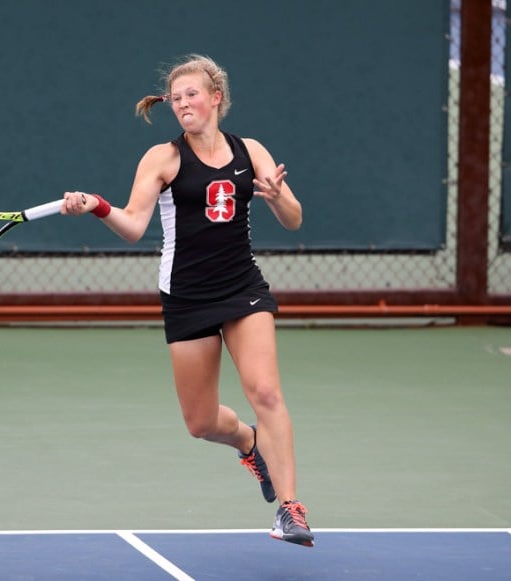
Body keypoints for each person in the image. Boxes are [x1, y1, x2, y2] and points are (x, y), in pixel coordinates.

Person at [61, 54, 313, 547]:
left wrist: (277, 196)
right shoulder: (163, 158)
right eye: (175, 99)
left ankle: (291, 509)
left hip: (243, 289)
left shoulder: (250, 150)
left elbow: (295, 219)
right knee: (200, 422)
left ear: (216, 97)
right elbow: (134, 225)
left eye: (191, 95)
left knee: (265, 392)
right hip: (187, 298)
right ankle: (247, 441)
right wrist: (98, 206)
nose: (183, 105)